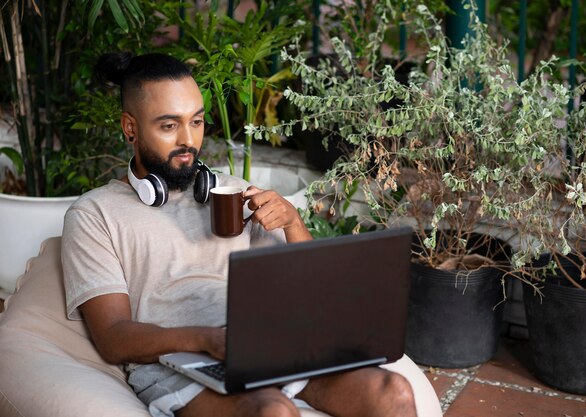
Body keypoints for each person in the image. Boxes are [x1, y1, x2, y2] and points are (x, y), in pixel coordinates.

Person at [61, 52, 418, 417]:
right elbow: (112, 337)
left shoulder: (234, 192)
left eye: (196, 122)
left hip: (267, 348)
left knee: (395, 392)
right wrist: (209, 340)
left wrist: (293, 223)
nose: (188, 140)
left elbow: (316, 288)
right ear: (130, 127)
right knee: (272, 411)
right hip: (179, 364)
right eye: (169, 126)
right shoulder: (94, 214)